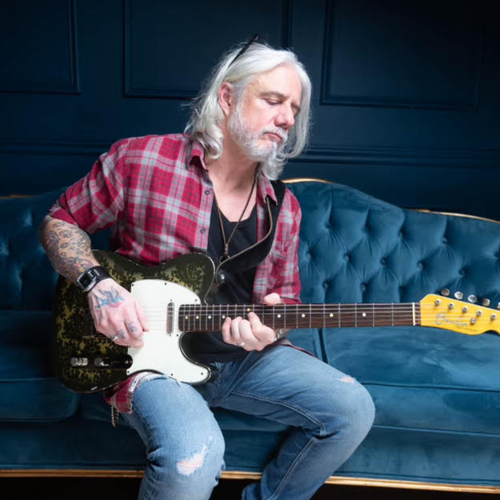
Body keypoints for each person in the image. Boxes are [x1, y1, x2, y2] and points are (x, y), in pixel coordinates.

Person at [40, 37, 375, 500]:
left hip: (237, 361)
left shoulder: (285, 208)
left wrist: (268, 328)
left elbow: (284, 300)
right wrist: (99, 288)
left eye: (294, 109)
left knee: (352, 408)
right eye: (273, 100)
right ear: (227, 97)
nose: (286, 118)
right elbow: (61, 220)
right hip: (146, 358)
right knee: (192, 458)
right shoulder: (142, 160)